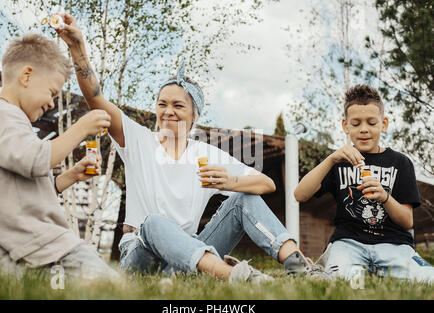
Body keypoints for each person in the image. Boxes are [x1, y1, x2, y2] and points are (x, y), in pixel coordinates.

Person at [55, 12, 331, 283]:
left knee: (243, 198)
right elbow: (95, 98)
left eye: (178, 105)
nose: (168, 111)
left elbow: (267, 184)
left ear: (194, 115)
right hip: (141, 255)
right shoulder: (138, 139)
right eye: (162, 104)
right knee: (153, 223)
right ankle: (235, 277)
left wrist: (232, 181)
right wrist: (77, 48)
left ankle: (299, 267)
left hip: (190, 253)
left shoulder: (205, 154)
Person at [0, 33, 119, 281]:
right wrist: (80, 128)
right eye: (52, 92)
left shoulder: (10, 121)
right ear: (26, 76)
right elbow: (35, 160)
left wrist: (70, 176)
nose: (51, 103)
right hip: (46, 243)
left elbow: (24, 190)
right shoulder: (2, 115)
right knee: (110, 286)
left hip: (28, 246)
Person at [294, 84, 434, 283]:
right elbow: (300, 194)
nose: (364, 130)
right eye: (356, 123)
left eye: (371, 123)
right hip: (348, 243)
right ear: (345, 126)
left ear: (383, 124)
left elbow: (407, 221)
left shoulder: (401, 163)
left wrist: (385, 197)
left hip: (394, 244)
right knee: (346, 283)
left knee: (428, 279)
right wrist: (331, 159)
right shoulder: (337, 161)